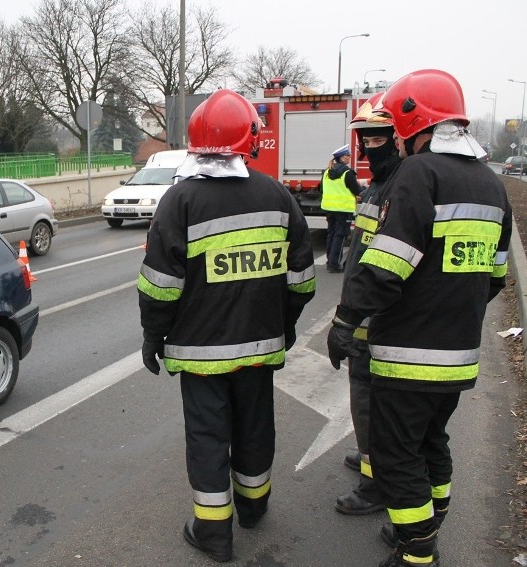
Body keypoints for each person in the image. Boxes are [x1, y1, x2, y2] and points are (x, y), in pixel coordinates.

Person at [326, 69, 512, 567]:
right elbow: (496, 275)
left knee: (394, 457)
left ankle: (418, 551)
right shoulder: (492, 185)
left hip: (407, 354)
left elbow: (387, 264)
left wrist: (345, 321)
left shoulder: (419, 174)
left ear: (414, 123)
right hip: (458, 354)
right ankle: (426, 527)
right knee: (432, 444)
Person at [138, 89, 315, 563]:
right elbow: (302, 278)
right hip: (259, 349)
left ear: (196, 145)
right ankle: (253, 510)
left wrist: (153, 337)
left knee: (208, 438)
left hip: (199, 356)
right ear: (248, 143)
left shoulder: (180, 202)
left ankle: (214, 535)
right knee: (256, 429)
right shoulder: (277, 196)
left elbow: (159, 286)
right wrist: (285, 324)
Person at [335, 92, 402, 517]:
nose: (369, 148)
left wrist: (350, 319)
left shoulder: (403, 184)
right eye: (365, 139)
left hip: (378, 317)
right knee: (362, 390)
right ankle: (367, 456)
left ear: (399, 139)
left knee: (370, 394)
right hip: (364, 310)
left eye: (378, 140)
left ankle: (376, 482)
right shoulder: (380, 184)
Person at [321, 143, 362, 273]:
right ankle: (335, 264)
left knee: (331, 234)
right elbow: (356, 190)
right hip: (344, 209)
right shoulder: (347, 173)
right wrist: (362, 193)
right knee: (340, 236)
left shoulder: (327, 172)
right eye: (348, 155)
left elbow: (321, 188)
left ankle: (329, 261)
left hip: (329, 208)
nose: (350, 157)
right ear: (342, 158)